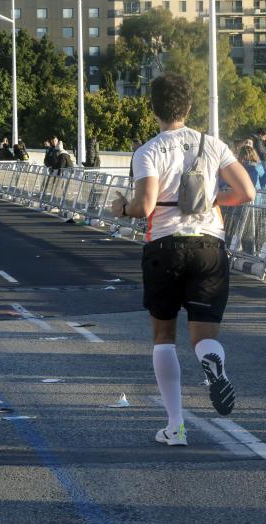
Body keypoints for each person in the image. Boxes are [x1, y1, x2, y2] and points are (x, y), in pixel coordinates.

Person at [111, 73, 255, 446]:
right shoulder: (214, 144)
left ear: (153, 108)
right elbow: (246, 192)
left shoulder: (149, 150)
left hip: (164, 246)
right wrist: (210, 200)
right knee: (203, 335)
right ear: (189, 107)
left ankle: (175, 427)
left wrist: (121, 207)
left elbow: (144, 206)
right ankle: (212, 362)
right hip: (209, 245)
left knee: (163, 337)